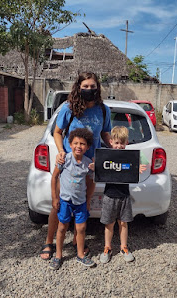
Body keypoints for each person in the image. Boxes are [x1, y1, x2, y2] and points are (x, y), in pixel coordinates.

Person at [40, 72, 112, 260]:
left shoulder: (104, 110)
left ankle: (76, 241)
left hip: (90, 167)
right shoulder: (68, 108)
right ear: (78, 87)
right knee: (58, 205)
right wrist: (60, 151)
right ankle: (49, 242)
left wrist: (114, 147)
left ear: (98, 88)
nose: (89, 89)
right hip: (69, 165)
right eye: (85, 86)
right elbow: (57, 132)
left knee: (83, 203)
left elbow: (105, 133)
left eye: (92, 86)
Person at [98, 126, 147, 264]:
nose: (119, 146)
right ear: (111, 142)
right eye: (117, 143)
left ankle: (123, 247)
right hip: (109, 195)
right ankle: (107, 247)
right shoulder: (106, 156)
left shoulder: (129, 158)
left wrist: (139, 169)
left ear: (126, 143)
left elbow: (137, 167)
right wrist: (95, 167)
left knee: (124, 223)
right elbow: (100, 168)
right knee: (109, 223)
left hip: (124, 195)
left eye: (122, 143)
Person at [49, 128, 95, 270]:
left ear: (87, 147)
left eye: (82, 144)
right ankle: (58, 255)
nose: (78, 146)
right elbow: (55, 177)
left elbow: (91, 182)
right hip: (65, 201)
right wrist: (54, 197)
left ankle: (81, 255)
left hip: (80, 202)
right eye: (75, 143)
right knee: (62, 227)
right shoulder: (64, 160)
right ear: (70, 144)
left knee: (81, 228)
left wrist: (88, 200)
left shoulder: (88, 164)